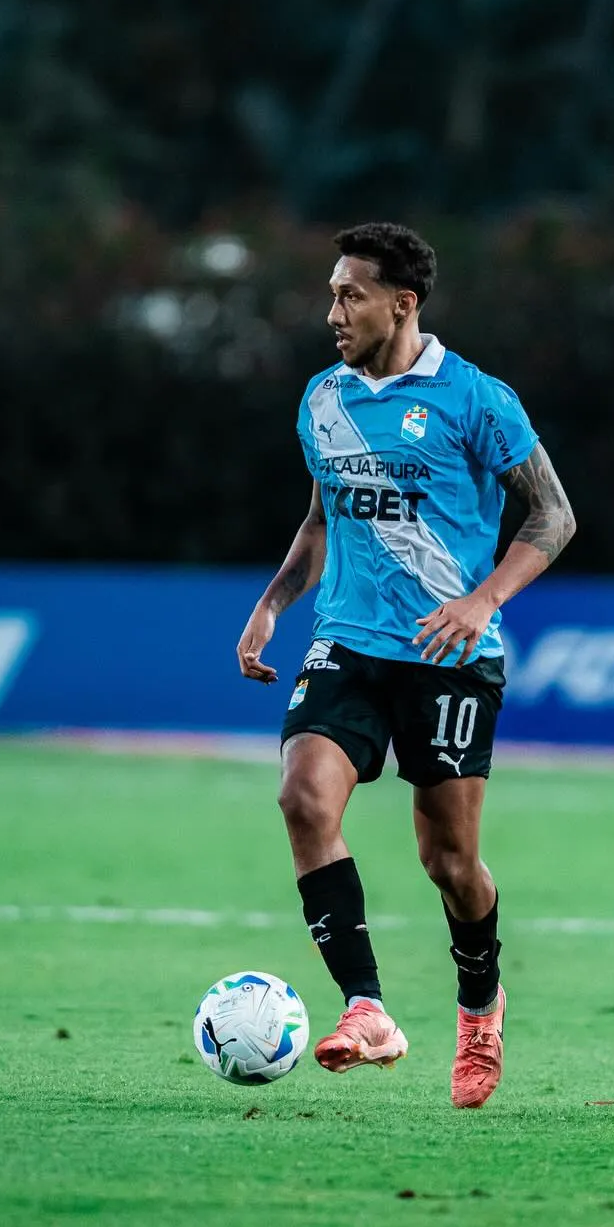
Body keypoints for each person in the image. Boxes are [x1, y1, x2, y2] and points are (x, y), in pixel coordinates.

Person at [235, 222, 575, 1109]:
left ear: (403, 303)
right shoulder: (323, 398)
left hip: (449, 654)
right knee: (302, 797)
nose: (332, 312)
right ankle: (367, 1007)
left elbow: (552, 516)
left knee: (450, 863)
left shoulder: (476, 399)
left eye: (350, 295)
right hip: (347, 642)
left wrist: (481, 601)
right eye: (332, 294)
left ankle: (480, 1007)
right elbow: (322, 519)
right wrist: (273, 604)